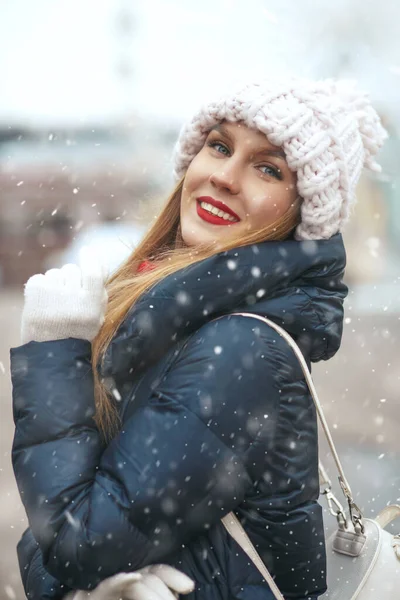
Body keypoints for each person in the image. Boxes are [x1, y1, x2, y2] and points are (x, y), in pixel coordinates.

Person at [10, 77, 387, 600]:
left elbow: (73, 545)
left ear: (302, 215)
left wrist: (54, 349)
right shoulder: (169, 323)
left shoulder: (239, 350)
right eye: (220, 146)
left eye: (268, 168)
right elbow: (50, 546)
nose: (226, 177)